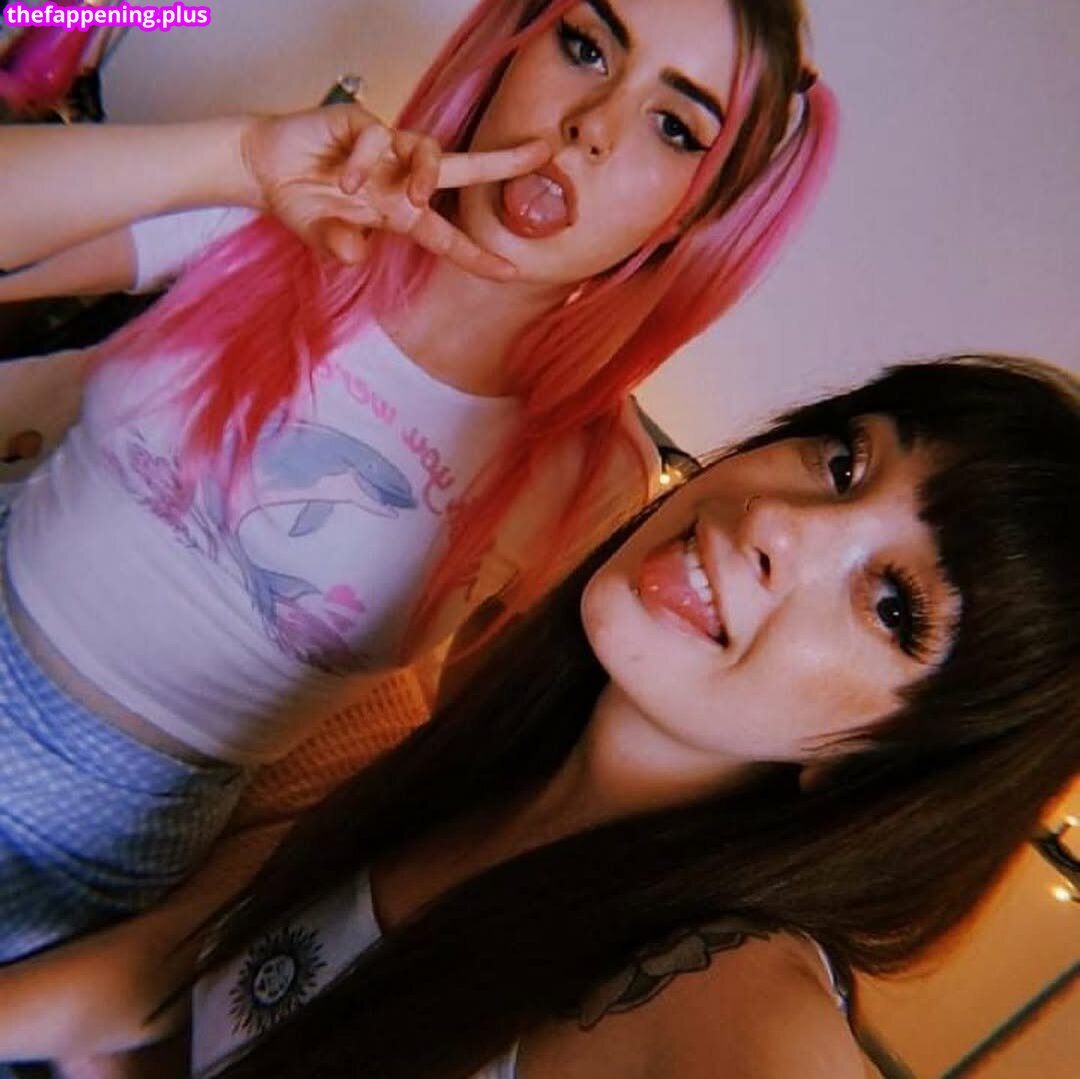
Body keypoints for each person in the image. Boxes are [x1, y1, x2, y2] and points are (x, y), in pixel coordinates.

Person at [0, 0, 836, 963]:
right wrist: (238, 158)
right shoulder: (303, 205)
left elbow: (466, 755)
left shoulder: (593, 477)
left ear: (695, 209)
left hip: (79, 842)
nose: (590, 126)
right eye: (585, 47)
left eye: (675, 126)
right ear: (512, 46)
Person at [0, 354, 1074, 1079]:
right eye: (844, 460)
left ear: (900, 760)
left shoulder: (727, 981)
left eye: (895, 605)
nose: (779, 523)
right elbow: (171, 970)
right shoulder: (477, 761)